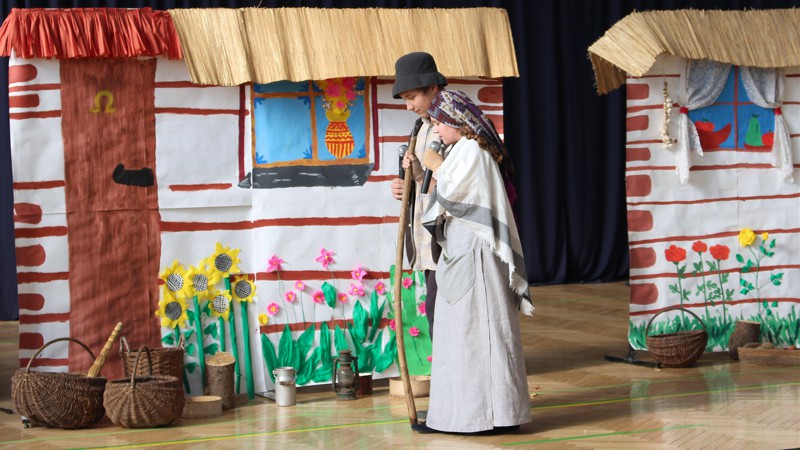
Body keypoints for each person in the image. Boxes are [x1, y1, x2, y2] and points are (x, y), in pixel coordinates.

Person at [413, 89, 534, 434]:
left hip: (476, 253)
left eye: (439, 122)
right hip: (463, 249)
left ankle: (486, 417)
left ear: (457, 121)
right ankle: (474, 415)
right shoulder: (460, 149)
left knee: (479, 331)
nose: (437, 130)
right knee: (463, 332)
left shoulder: (473, 151)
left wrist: (436, 167)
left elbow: (455, 195)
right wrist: (429, 169)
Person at [390, 52, 447, 340]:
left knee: (444, 316)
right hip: (428, 241)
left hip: (447, 240)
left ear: (433, 88)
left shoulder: (451, 126)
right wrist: (408, 187)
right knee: (435, 313)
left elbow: (457, 184)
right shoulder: (421, 127)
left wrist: (424, 177)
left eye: (412, 97)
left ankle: (453, 369)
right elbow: (425, 182)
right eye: (405, 99)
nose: (409, 106)